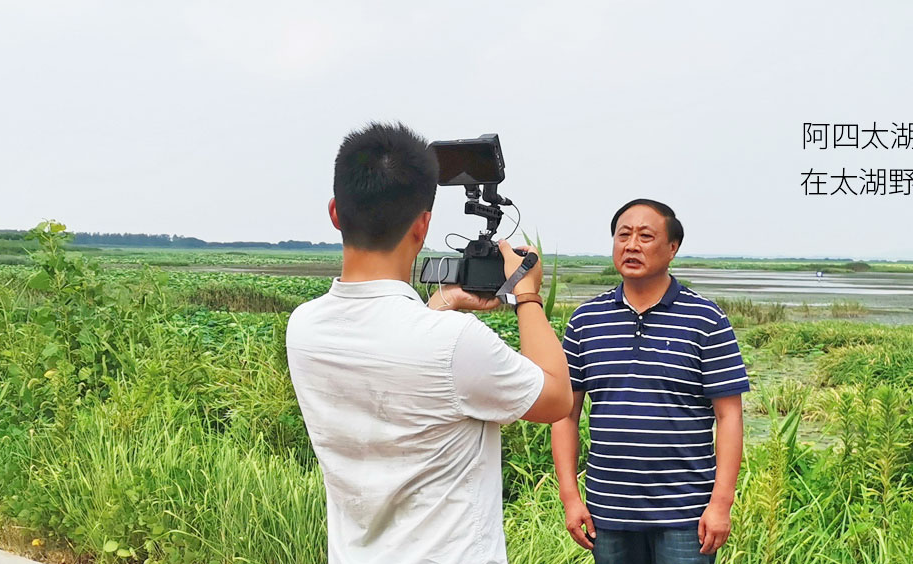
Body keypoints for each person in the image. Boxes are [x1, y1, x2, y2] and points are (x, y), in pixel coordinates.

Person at [285, 122, 572, 563]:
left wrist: (443, 301)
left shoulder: (303, 327)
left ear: (335, 213)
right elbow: (557, 399)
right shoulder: (455, 342)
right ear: (423, 225)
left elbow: (394, 345)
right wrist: (527, 294)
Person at [552, 199, 748, 564]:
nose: (631, 245)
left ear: (672, 247)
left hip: (686, 514)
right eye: (623, 235)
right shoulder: (585, 321)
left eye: (645, 236)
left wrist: (721, 502)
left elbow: (729, 416)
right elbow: (565, 414)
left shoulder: (706, 319)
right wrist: (570, 497)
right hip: (608, 511)